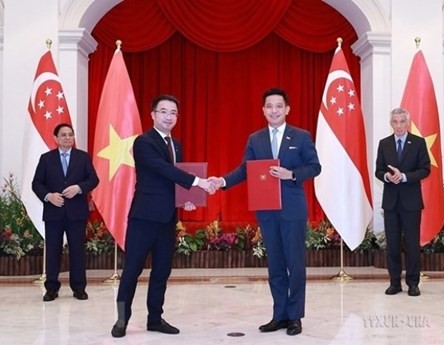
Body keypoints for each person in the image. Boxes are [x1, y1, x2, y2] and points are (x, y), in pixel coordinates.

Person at [209, 88, 321, 336]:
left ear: (287, 109)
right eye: (269, 106)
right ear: (263, 110)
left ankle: (295, 317)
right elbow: (244, 170)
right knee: (276, 265)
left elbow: (315, 167)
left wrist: (291, 174)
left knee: (295, 263)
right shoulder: (255, 139)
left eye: (278, 106)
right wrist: (223, 181)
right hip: (267, 210)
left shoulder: (301, 137)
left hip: (292, 209)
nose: (274, 110)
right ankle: (279, 315)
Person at [111, 94, 215, 338]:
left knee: (161, 271)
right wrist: (199, 182)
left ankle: (155, 319)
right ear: (153, 115)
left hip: (167, 219)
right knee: (132, 271)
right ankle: (121, 320)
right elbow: (162, 169)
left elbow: (173, 179)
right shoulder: (143, 142)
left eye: (173, 113)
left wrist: (186, 199)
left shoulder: (175, 144)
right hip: (144, 219)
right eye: (163, 111)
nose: (169, 117)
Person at [32, 123, 99, 302]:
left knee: (77, 251)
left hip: (76, 213)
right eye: (63, 135)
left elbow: (93, 179)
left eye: (70, 134)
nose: (68, 138)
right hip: (54, 212)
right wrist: (48, 196)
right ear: (56, 138)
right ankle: (51, 288)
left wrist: (79, 188)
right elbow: (36, 183)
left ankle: (79, 288)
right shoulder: (46, 159)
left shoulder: (83, 157)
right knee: (53, 251)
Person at [375, 107, 431, 297]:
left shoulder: (418, 143)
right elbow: (378, 170)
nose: (399, 125)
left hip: (411, 202)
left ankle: (413, 283)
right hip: (391, 202)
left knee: (412, 244)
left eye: (402, 121)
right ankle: (394, 282)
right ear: (391, 123)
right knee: (392, 244)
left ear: (408, 123)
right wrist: (388, 177)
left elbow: (425, 170)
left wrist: (405, 176)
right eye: (395, 121)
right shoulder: (384, 144)